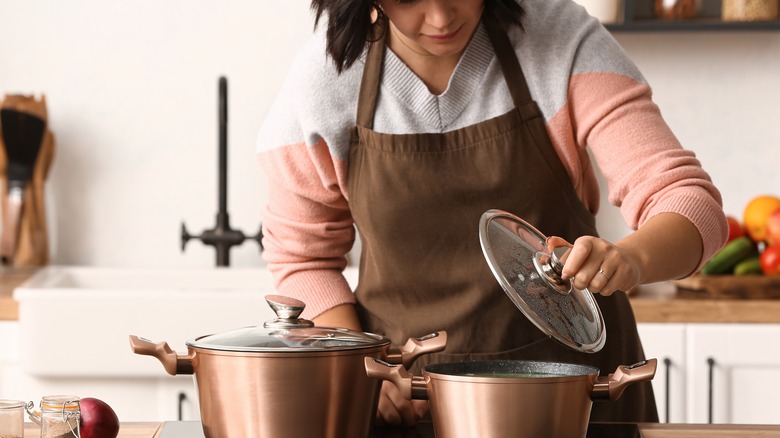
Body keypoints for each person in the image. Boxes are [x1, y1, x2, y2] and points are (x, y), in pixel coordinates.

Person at [256, 0, 727, 428]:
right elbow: (302, 260)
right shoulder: (322, 83)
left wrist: (633, 259)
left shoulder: (562, 42)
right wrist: (361, 370)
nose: (441, 18)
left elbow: (689, 201)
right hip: (410, 405)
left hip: (578, 404)